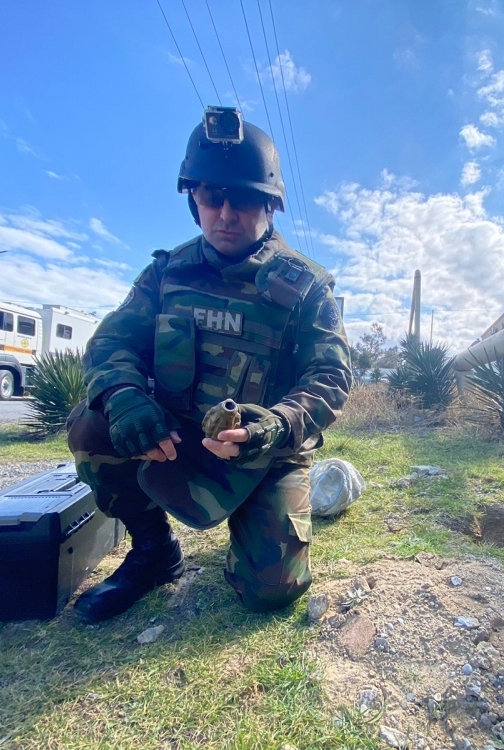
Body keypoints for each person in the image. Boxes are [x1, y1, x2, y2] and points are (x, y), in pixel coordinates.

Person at [66, 111, 352, 622]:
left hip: (265, 452)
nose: (224, 214)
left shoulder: (305, 287)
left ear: (270, 205)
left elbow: (331, 376)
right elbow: (112, 341)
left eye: (242, 199)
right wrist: (125, 397)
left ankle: (250, 536)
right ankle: (154, 551)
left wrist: (276, 425)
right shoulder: (166, 273)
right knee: (93, 424)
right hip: (174, 437)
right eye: (209, 197)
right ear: (192, 199)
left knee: (272, 592)